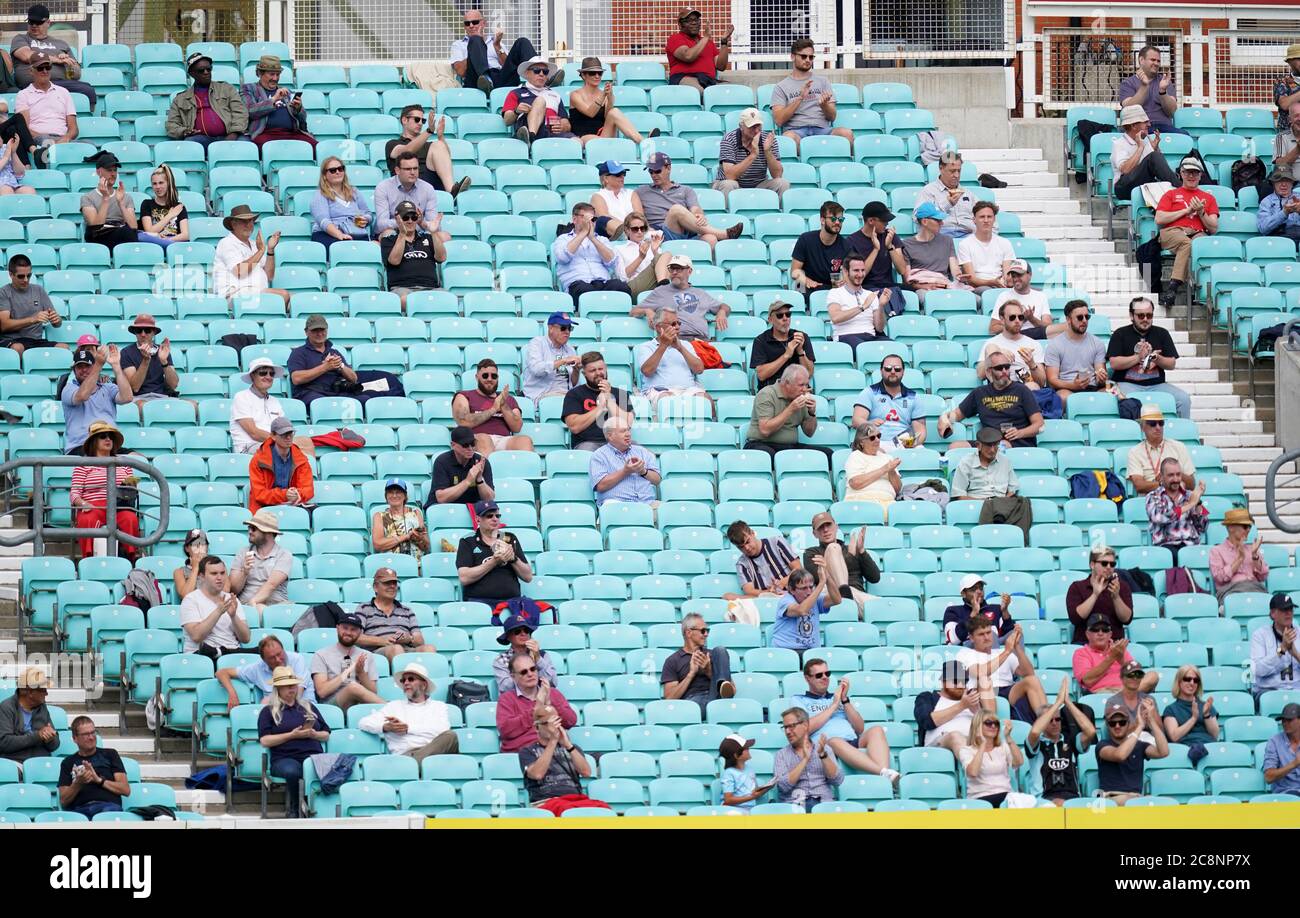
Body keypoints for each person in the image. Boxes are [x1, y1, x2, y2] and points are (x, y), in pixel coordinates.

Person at [791, 659, 901, 783]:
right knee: (835, 740)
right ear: (807, 678)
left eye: (827, 674)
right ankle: (882, 773)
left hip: (851, 741)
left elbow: (859, 728)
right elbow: (804, 729)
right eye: (819, 675)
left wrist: (844, 700)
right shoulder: (799, 700)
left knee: (876, 730)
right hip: (827, 746)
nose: (824, 677)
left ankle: (885, 776)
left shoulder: (838, 697)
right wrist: (833, 705)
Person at [257, 666, 328, 817]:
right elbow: (265, 740)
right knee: (292, 771)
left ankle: (320, 808)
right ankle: (295, 807)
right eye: (288, 686)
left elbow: (326, 734)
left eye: (294, 685)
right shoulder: (268, 711)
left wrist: (314, 734)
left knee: (326, 767)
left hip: (312, 755)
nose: (292, 689)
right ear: (278, 689)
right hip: (284, 758)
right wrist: (291, 735)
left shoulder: (309, 707)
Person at [938, 353, 1043, 448]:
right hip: (987, 443)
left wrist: (1020, 433)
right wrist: (945, 418)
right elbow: (957, 414)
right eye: (999, 368)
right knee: (955, 447)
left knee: (1001, 446)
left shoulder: (1022, 390)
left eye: (1007, 367)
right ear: (989, 371)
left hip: (1017, 442)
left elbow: (1039, 424)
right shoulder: (980, 393)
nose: (1004, 371)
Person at [1109, 296, 1191, 417]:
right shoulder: (1120, 333)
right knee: (1123, 402)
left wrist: (1157, 359)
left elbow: (1171, 364)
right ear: (1132, 316)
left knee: (1183, 399)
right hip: (1127, 384)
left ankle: (1181, 434)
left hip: (1157, 385)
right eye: (1141, 316)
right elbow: (1114, 363)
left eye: (1149, 315)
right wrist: (1138, 357)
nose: (1145, 319)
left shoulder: (1162, 333)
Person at [359, 661, 460, 759]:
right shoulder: (393, 706)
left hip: (434, 754)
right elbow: (363, 723)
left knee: (450, 736)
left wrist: (407, 728)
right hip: (405, 757)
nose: (406, 683)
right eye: (403, 680)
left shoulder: (438, 706)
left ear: (424, 685)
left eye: (411, 679)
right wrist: (386, 727)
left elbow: (442, 730)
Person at [637, 153, 741, 248]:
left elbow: (695, 208)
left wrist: (698, 215)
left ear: (668, 168)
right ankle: (724, 234)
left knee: (711, 239)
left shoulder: (685, 190)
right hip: (659, 233)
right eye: (651, 171)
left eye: (657, 171)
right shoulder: (641, 191)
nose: (653, 175)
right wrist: (647, 229)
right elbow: (635, 215)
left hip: (685, 232)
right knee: (676, 209)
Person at [70, 421, 139, 561]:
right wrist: (83, 504)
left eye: (110, 437)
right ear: (94, 441)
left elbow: (132, 489)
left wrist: (130, 486)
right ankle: (88, 560)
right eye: (103, 436)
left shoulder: (124, 463)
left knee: (130, 518)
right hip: (93, 505)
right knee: (87, 519)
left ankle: (129, 559)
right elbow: (74, 493)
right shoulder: (83, 465)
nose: (108, 439)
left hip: (119, 505)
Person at [1155, 157, 1219, 308]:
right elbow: (1159, 219)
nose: (1191, 176)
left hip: (1197, 232)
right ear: (1181, 174)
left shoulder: (1208, 198)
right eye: (1188, 172)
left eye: (1195, 173)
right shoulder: (1170, 194)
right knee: (1187, 243)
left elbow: (1213, 227)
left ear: (1200, 175)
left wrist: (1201, 212)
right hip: (1173, 231)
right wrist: (1187, 211)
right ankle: (1173, 288)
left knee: (1200, 245)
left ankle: (1197, 291)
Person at [771, 39, 854, 151]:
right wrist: (800, 98)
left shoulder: (822, 81)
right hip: (796, 131)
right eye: (803, 56)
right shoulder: (781, 86)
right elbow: (779, 120)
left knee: (846, 133)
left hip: (822, 129)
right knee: (788, 139)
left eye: (811, 57)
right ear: (792, 57)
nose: (808, 60)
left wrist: (824, 105)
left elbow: (832, 117)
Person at [958, 619, 1046, 722]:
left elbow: (1028, 673)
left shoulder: (1001, 652)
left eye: (988, 632)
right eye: (981, 634)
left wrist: (1017, 648)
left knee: (1032, 680)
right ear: (972, 638)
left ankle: (1045, 726)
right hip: (980, 691)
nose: (986, 637)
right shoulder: (966, 653)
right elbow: (980, 673)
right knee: (984, 681)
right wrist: (1007, 651)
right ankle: (991, 725)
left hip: (1008, 690)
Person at [1024, 679, 1096, 805]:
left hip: (1073, 799)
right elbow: (1035, 732)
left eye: (1058, 719)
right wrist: (1057, 704)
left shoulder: (1070, 740)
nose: (1055, 723)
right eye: (1050, 720)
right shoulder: (1037, 744)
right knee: (1059, 803)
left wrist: (1068, 703)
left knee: (1099, 807)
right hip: (1044, 800)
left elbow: (1090, 732)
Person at [633, 253, 731, 341]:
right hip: (673, 339)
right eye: (671, 268)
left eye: (679, 268)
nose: (674, 272)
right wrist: (647, 311)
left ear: (689, 271)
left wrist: (722, 312)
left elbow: (725, 306)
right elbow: (633, 311)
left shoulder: (700, 293)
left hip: (700, 341)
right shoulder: (661, 291)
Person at [230, 357, 315, 457]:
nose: (268, 376)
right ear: (253, 375)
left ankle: (305, 472)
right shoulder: (241, 397)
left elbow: (284, 428)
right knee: (286, 449)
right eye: (263, 373)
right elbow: (254, 433)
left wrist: (283, 439)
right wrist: (281, 440)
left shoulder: (274, 401)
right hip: (248, 447)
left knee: (305, 441)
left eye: (271, 373)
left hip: (273, 443)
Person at [457, 500, 533, 608]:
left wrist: (513, 559)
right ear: (478, 519)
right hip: (480, 602)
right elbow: (464, 578)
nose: (495, 519)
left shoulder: (508, 538)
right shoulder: (468, 541)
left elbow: (528, 577)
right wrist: (494, 561)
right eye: (489, 516)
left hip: (511, 602)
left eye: (497, 515)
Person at [211, 204, 290, 309]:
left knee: (297, 301)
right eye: (244, 222)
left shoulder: (254, 244)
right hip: (234, 296)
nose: (249, 225)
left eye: (251, 221)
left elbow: (269, 276)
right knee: (283, 296)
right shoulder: (226, 243)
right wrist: (261, 251)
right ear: (234, 224)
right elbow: (240, 272)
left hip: (255, 293)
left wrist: (270, 250)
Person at [12, 5, 94, 103]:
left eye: (38, 22)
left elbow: (76, 74)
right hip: (33, 84)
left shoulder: (61, 44)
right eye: (31, 22)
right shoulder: (21, 38)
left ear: (48, 23)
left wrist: (67, 64)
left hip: (59, 84)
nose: (34, 25)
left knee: (88, 89)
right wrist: (56, 59)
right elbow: (26, 55)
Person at [744, 365, 827, 463]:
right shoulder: (766, 394)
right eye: (801, 385)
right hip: (761, 443)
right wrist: (790, 409)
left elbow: (809, 433)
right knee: (769, 456)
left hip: (790, 446)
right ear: (787, 383)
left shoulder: (800, 396)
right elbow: (765, 430)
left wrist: (811, 413)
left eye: (807, 385)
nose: (805, 389)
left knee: (826, 454)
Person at [165, 51, 247, 149]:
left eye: (209, 69)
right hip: (201, 138)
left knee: (247, 144)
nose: (206, 72)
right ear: (191, 74)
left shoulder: (226, 89)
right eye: (201, 70)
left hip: (230, 135)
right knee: (190, 143)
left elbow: (240, 113)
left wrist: (234, 133)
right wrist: (185, 131)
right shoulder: (180, 99)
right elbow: (171, 125)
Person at [803, 512, 878, 619]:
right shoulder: (811, 552)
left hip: (856, 598)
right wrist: (850, 556)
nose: (825, 530)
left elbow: (875, 578)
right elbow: (817, 577)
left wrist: (862, 551)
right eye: (820, 528)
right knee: (833, 548)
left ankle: (846, 594)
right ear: (814, 534)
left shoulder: (852, 549)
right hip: (830, 595)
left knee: (891, 607)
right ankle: (844, 591)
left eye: (828, 525)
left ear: (836, 527)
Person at [552, 203, 628, 308]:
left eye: (593, 219)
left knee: (621, 286)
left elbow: (612, 261)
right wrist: (583, 233)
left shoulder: (601, 239)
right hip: (578, 284)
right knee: (584, 290)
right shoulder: (563, 239)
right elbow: (562, 258)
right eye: (586, 218)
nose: (590, 222)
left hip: (603, 282)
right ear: (575, 220)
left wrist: (592, 238)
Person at [61, 344, 133, 455]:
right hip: (81, 446)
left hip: (109, 445)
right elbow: (83, 396)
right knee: (101, 460)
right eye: (80, 366)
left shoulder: (107, 387)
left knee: (139, 460)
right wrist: (98, 365)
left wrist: (116, 366)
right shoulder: (68, 389)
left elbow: (127, 397)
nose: (84, 370)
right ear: (74, 370)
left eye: (88, 366)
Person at [451, 358, 534, 455]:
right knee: (484, 439)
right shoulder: (464, 395)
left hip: (503, 439)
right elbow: (463, 421)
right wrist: (493, 409)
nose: (489, 379)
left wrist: (503, 404)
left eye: (493, 376)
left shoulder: (508, 399)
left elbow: (517, 427)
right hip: (476, 439)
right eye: (485, 376)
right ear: (477, 377)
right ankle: (487, 469)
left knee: (525, 441)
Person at [384, 104, 469, 198]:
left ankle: (452, 192)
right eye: (417, 119)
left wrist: (441, 137)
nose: (420, 123)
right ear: (404, 120)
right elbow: (407, 151)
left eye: (423, 121)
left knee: (439, 145)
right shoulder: (392, 144)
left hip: (431, 186)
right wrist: (429, 131)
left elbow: (446, 159)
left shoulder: (430, 146)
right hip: (407, 188)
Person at [519, 710, 597, 811]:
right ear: (537, 727)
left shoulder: (573, 748)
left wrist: (568, 745)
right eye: (548, 723)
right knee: (566, 810)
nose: (553, 727)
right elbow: (537, 774)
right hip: (545, 801)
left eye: (556, 722)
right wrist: (553, 740)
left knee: (603, 809)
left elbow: (586, 773)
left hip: (575, 800)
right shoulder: (527, 751)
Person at [496, 655, 577, 752]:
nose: (530, 674)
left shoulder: (553, 693)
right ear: (513, 677)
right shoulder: (507, 699)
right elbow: (506, 731)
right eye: (523, 672)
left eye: (533, 669)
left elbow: (571, 721)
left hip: (555, 751)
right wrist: (537, 707)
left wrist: (550, 703)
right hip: (521, 754)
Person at [451, 9, 543, 94]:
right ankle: (486, 79)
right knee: (475, 40)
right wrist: (475, 48)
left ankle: (541, 74)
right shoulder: (458, 45)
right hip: (476, 80)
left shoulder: (494, 41)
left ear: (483, 23)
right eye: (467, 23)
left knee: (522, 42)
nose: (471, 26)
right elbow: (461, 71)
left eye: (475, 22)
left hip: (499, 77)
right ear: (465, 27)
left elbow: (508, 65)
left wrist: (497, 46)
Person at [1097, 695, 1168, 805]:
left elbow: (1163, 752)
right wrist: (1139, 727)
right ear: (1107, 725)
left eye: (1122, 722)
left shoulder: (1139, 746)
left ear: (1128, 723)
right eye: (1112, 723)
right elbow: (1120, 755)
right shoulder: (1102, 745)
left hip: (1136, 799)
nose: (1117, 726)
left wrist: (1151, 721)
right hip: (1111, 799)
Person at [354, 568, 436, 663]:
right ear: (375, 587)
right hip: (377, 652)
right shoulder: (364, 608)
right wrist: (382, 640)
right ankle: (402, 677)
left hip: (406, 648)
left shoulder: (407, 610)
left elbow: (419, 641)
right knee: (396, 649)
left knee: (430, 649)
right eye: (387, 583)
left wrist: (409, 638)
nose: (392, 586)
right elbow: (356, 637)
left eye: (394, 583)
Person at [636, 306, 711, 409]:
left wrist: (680, 348)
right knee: (668, 400)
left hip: (689, 390)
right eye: (673, 324)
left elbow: (699, 369)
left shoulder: (686, 345)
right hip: (661, 391)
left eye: (678, 323)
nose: (677, 327)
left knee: (706, 399)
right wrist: (664, 345)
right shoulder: (646, 347)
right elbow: (647, 371)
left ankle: (709, 425)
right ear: (658, 327)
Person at [660, 612, 736, 714]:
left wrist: (708, 670)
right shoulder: (673, 660)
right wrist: (691, 674)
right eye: (703, 631)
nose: (706, 634)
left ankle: (721, 688)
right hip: (694, 701)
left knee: (720, 650)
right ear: (688, 633)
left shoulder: (713, 655)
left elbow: (732, 690)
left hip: (716, 696)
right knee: (697, 706)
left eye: (707, 631)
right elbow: (669, 698)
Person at [180, 556, 252, 659]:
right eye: (214, 574)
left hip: (231, 653)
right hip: (202, 656)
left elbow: (246, 638)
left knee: (263, 652)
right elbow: (196, 636)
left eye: (222, 573)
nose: (219, 578)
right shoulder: (191, 600)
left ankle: (221, 653)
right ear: (201, 576)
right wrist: (218, 611)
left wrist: (233, 616)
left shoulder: (231, 599)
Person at [311, 615, 385, 713]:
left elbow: (373, 692)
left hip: (360, 704)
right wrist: (346, 673)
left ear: (360, 632)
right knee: (353, 687)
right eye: (345, 628)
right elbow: (322, 692)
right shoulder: (321, 654)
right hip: (332, 706)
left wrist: (361, 673)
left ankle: (391, 710)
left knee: (354, 687)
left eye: (353, 629)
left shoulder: (367, 655)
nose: (348, 632)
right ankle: (391, 709)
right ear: (337, 628)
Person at [57, 715, 128, 817]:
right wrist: (78, 782)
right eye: (86, 734)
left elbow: (125, 789)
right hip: (80, 811)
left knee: (107, 815)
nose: (91, 737)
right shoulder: (68, 762)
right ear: (74, 738)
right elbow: (63, 801)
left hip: (108, 807)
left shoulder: (110, 754)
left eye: (93, 732)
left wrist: (99, 780)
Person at [712, 107, 789, 201]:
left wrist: (767, 151)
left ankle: (777, 214)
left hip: (759, 184)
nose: (756, 131)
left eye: (758, 126)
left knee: (782, 183)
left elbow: (778, 174)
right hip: (734, 183)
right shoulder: (729, 139)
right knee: (729, 184)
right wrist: (752, 155)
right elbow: (730, 175)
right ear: (741, 126)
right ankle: (728, 215)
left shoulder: (767, 139)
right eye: (752, 127)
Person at [217, 633, 315, 707]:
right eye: (272, 658)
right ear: (264, 659)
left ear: (283, 649)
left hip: (305, 708)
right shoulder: (258, 668)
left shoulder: (297, 659)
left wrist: (269, 700)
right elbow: (221, 673)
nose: (278, 659)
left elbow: (297, 694)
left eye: (279, 654)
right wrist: (232, 693)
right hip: (276, 715)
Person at [850, 355, 926, 450]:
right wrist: (869, 425)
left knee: (921, 450)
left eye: (897, 369)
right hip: (875, 440)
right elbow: (856, 420)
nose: (893, 372)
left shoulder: (914, 397)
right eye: (888, 369)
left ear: (903, 372)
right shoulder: (869, 392)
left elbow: (921, 430)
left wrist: (913, 443)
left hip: (904, 443)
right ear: (881, 371)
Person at [774, 707, 843, 811]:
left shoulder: (824, 749)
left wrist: (823, 756)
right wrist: (805, 759)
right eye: (785, 727)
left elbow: (837, 781)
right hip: (795, 806)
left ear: (805, 725)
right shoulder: (781, 754)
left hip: (823, 805)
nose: (787, 731)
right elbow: (782, 786)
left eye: (791, 726)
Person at [239, 55, 315, 151]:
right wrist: (273, 100)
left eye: (277, 74)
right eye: (271, 74)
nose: (275, 78)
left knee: (315, 146)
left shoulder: (286, 91)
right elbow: (250, 111)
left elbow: (302, 119)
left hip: (291, 134)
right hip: (265, 134)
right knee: (270, 149)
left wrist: (298, 109)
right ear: (260, 73)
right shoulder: (249, 89)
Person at [568, 57, 649, 145]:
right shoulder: (575, 95)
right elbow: (590, 113)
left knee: (614, 111)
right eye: (592, 73)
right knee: (594, 139)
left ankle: (644, 142)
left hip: (604, 134)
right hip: (583, 137)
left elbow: (608, 117)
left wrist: (610, 97)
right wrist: (603, 95)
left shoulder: (604, 94)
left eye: (599, 73)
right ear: (583, 75)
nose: (597, 76)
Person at [562, 352, 634, 452]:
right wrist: (600, 407)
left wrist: (608, 399)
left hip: (618, 442)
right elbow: (574, 427)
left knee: (644, 455)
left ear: (605, 368)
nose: (598, 373)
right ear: (584, 374)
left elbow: (628, 423)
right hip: (588, 443)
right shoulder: (574, 394)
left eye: (600, 369)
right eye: (592, 370)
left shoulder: (621, 393)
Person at [844, 202, 906, 316]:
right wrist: (876, 249)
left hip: (888, 288)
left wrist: (889, 247)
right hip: (864, 289)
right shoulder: (852, 241)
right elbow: (858, 275)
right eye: (883, 221)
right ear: (871, 221)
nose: (887, 223)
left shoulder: (890, 236)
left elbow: (902, 270)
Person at [380, 199, 445, 308]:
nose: (410, 221)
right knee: (406, 300)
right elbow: (394, 261)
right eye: (405, 217)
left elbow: (442, 257)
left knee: (448, 299)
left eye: (413, 217)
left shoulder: (428, 238)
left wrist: (433, 232)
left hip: (431, 288)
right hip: (402, 288)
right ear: (398, 219)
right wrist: (402, 235)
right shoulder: (389, 240)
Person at [286, 314, 360, 408]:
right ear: (306, 332)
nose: (320, 333)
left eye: (322, 330)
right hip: (310, 393)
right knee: (323, 403)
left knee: (363, 399)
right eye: (315, 330)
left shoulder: (334, 352)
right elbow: (296, 379)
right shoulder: (298, 353)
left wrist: (340, 366)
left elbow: (354, 378)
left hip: (335, 392)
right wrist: (325, 367)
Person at [1110, 103, 1178, 202]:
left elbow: (1160, 170)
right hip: (1124, 188)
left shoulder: (1147, 142)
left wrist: (1156, 149)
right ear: (1133, 125)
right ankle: (1181, 190)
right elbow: (1125, 169)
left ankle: (1181, 190)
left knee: (1190, 161)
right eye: (1145, 122)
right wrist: (1140, 147)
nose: (1149, 125)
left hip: (1144, 184)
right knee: (1154, 157)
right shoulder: (1119, 144)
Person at [1044, 299, 1107, 404]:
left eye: (1087, 317)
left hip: (1091, 386)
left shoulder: (1097, 343)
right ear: (1068, 319)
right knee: (1064, 397)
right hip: (1066, 387)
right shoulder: (1055, 345)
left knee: (1112, 394)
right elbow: (1052, 379)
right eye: (1079, 317)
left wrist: (1101, 377)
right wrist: (1073, 385)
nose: (1084, 321)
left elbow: (1099, 372)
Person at [15, 50, 77, 156]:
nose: (45, 71)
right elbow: (24, 129)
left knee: (89, 145)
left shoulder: (63, 92)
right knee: (45, 141)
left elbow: (73, 128)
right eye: (40, 68)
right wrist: (46, 139)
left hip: (62, 138)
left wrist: (65, 138)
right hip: (39, 138)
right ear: (31, 71)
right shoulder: (23, 95)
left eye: (48, 67)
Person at [229, 508, 292, 613]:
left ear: (268, 532)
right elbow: (233, 589)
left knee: (260, 609)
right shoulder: (242, 552)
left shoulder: (284, 554)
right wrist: (244, 572)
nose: (249, 531)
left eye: (253, 528)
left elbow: (271, 585)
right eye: (249, 528)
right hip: (245, 605)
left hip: (275, 606)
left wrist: (253, 602)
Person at [1065, 547, 1133, 644]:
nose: (1109, 567)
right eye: (1104, 563)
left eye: (1112, 564)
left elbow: (1126, 619)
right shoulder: (1077, 587)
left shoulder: (1121, 587)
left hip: (1113, 644)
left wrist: (1116, 597)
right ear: (1092, 564)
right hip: (1085, 644)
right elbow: (1076, 618)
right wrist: (1095, 594)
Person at [0, 253, 64, 355]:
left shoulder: (38, 290)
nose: (26, 280)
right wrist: (33, 319)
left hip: (35, 341)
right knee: (18, 348)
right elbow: (4, 325)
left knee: (63, 348)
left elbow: (57, 324)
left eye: (29, 275)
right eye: (21, 276)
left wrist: (57, 320)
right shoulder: (3, 292)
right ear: (11, 274)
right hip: (12, 340)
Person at [248, 416, 314, 514]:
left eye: (291, 433)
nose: (288, 437)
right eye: (284, 434)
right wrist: (284, 495)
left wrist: (297, 494)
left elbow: (308, 489)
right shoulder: (258, 460)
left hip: (292, 505)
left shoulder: (301, 459)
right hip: (264, 507)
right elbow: (259, 494)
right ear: (273, 436)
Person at [589, 417, 660, 507]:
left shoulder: (642, 451)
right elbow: (600, 486)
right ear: (610, 436)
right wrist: (625, 471)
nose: (628, 434)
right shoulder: (599, 455)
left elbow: (657, 480)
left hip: (648, 504)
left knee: (669, 512)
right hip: (617, 505)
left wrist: (643, 471)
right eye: (623, 431)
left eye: (628, 430)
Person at [826, 253, 887, 358]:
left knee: (895, 348)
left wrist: (881, 306)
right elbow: (835, 318)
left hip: (870, 337)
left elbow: (880, 328)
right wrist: (862, 307)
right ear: (846, 272)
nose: (860, 274)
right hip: (846, 337)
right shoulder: (835, 293)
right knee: (864, 349)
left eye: (862, 270)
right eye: (856, 270)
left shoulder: (870, 295)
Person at [1146, 458, 1208, 562]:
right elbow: (1159, 518)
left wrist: (1198, 502)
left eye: (1178, 475)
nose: (1176, 479)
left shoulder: (1189, 495)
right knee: (1175, 558)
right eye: (1171, 475)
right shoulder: (1153, 496)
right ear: (1161, 477)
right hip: (1166, 546)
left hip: (1191, 546)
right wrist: (1189, 505)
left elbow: (1203, 526)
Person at [501, 56, 573, 146]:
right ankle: (531, 138)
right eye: (536, 70)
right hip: (526, 129)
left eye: (545, 72)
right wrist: (516, 111)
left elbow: (566, 123)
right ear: (527, 73)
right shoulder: (516, 92)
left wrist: (563, 127)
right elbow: (507, 120)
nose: (541, 74)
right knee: (540, 101)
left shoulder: (555, 95)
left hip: (551, 132)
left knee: (577, 142)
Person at [770, 563, 841, 652]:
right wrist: (821, 583)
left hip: (812, 652)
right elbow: (801, 610)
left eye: (811, 587)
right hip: (786, 651)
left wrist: (827, 578)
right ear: (791, 590)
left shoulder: (814, 598)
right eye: (804, 588)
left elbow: (837, 600)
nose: (809, 592)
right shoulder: (785, 601)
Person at [373, 151, 445, 239]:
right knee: (388, 234)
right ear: (397, 170)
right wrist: (405, 221)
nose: (412, 172)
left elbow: (433, 224)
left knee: (444, 236)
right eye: (408, 169)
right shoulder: (383, 187)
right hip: (394, 232)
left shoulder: (428, 188)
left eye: (415, 168)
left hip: (418, 233)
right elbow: (381, 224)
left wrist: (422, 222)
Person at [1126, 405, 1195, 496]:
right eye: (1152, 423)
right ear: (1142, 427)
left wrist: (1174, 475)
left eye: (1161, 423)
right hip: (1149, 501)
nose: (1158, 427)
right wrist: (1164, 484)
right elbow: (1139, 485)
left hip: (1177, 500)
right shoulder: (1135, 452)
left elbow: (1192, 484)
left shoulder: (1179, 447)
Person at [898, 202, 963, 298]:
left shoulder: (947, 240)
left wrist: (960, 276)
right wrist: (927, 286)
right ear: (924, 221)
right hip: (922, 287)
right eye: (938, 220)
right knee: (926, 297)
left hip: (944, 285)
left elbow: (955, 268)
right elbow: (907, 279)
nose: (942, 223)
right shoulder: (907, 245)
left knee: (975, 300)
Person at [1072, 613, 1146, 695]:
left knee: (1153, 676)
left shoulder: (1119, 649)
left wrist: (1121, 659)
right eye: (1095, 629)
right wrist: (1111, 658)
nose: (1100, 633)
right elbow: (1087, 681)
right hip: (1103, 693)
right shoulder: (1081, 653)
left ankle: (1123, 696)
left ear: (1110, 634)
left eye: (1105, 629)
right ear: (1087, 634)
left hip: (1125, 689)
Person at [976, 303, 1046, 390]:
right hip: (1001, 389)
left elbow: (1042, 383)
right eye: (1012, 317)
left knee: (1032, 387)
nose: (1017, 321)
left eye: (1020, 317)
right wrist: (996, 353)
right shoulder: (991, 343)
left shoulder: (1034, 344)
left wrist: (1032, 364)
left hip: (1026, 389)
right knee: (991, 347)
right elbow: (980, 374)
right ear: (1002, 319)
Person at [79, 150, 139, 250]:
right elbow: (95, 226)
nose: (113, 174)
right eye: (109, 170)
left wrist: (121, 203)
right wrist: (106, 199)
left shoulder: (126, 197)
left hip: (121, 234)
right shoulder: (87, 197)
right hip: (98, 236)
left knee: (129, 233)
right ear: (99, 172)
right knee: (127, 234)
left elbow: (133, 227)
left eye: (115, 170)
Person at [916, 660, 980, 751]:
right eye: (955, 681)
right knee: (955, 736)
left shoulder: (971, 700)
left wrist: (977, 712)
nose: (961, 685)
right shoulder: (928, 697)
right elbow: (927, 722)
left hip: (972, 743)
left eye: (964, 681)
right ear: (943, 681)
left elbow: (989, 726)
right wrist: (962, 705)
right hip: (938, 748)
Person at [0, 667, 58, 768]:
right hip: (16, 763)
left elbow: (55, 745)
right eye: (43, 690)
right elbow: (4, 743)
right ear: (30, 692)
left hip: (41, 762)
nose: (46, 693)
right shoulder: (6, 708)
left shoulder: (42, 708)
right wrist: (37, 736)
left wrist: (50, 739)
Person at [1161, 663, 1218, 765]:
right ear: (1179, 682)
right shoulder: (1171, 709)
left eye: (1196, 680)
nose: (1192, 683)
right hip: (1185, 753)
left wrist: (1206, 714)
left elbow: (1214, 735)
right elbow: (1174, 736)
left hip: (1209, 750)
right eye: (1187, 679)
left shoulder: (1206, 706)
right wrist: (1193, 718)